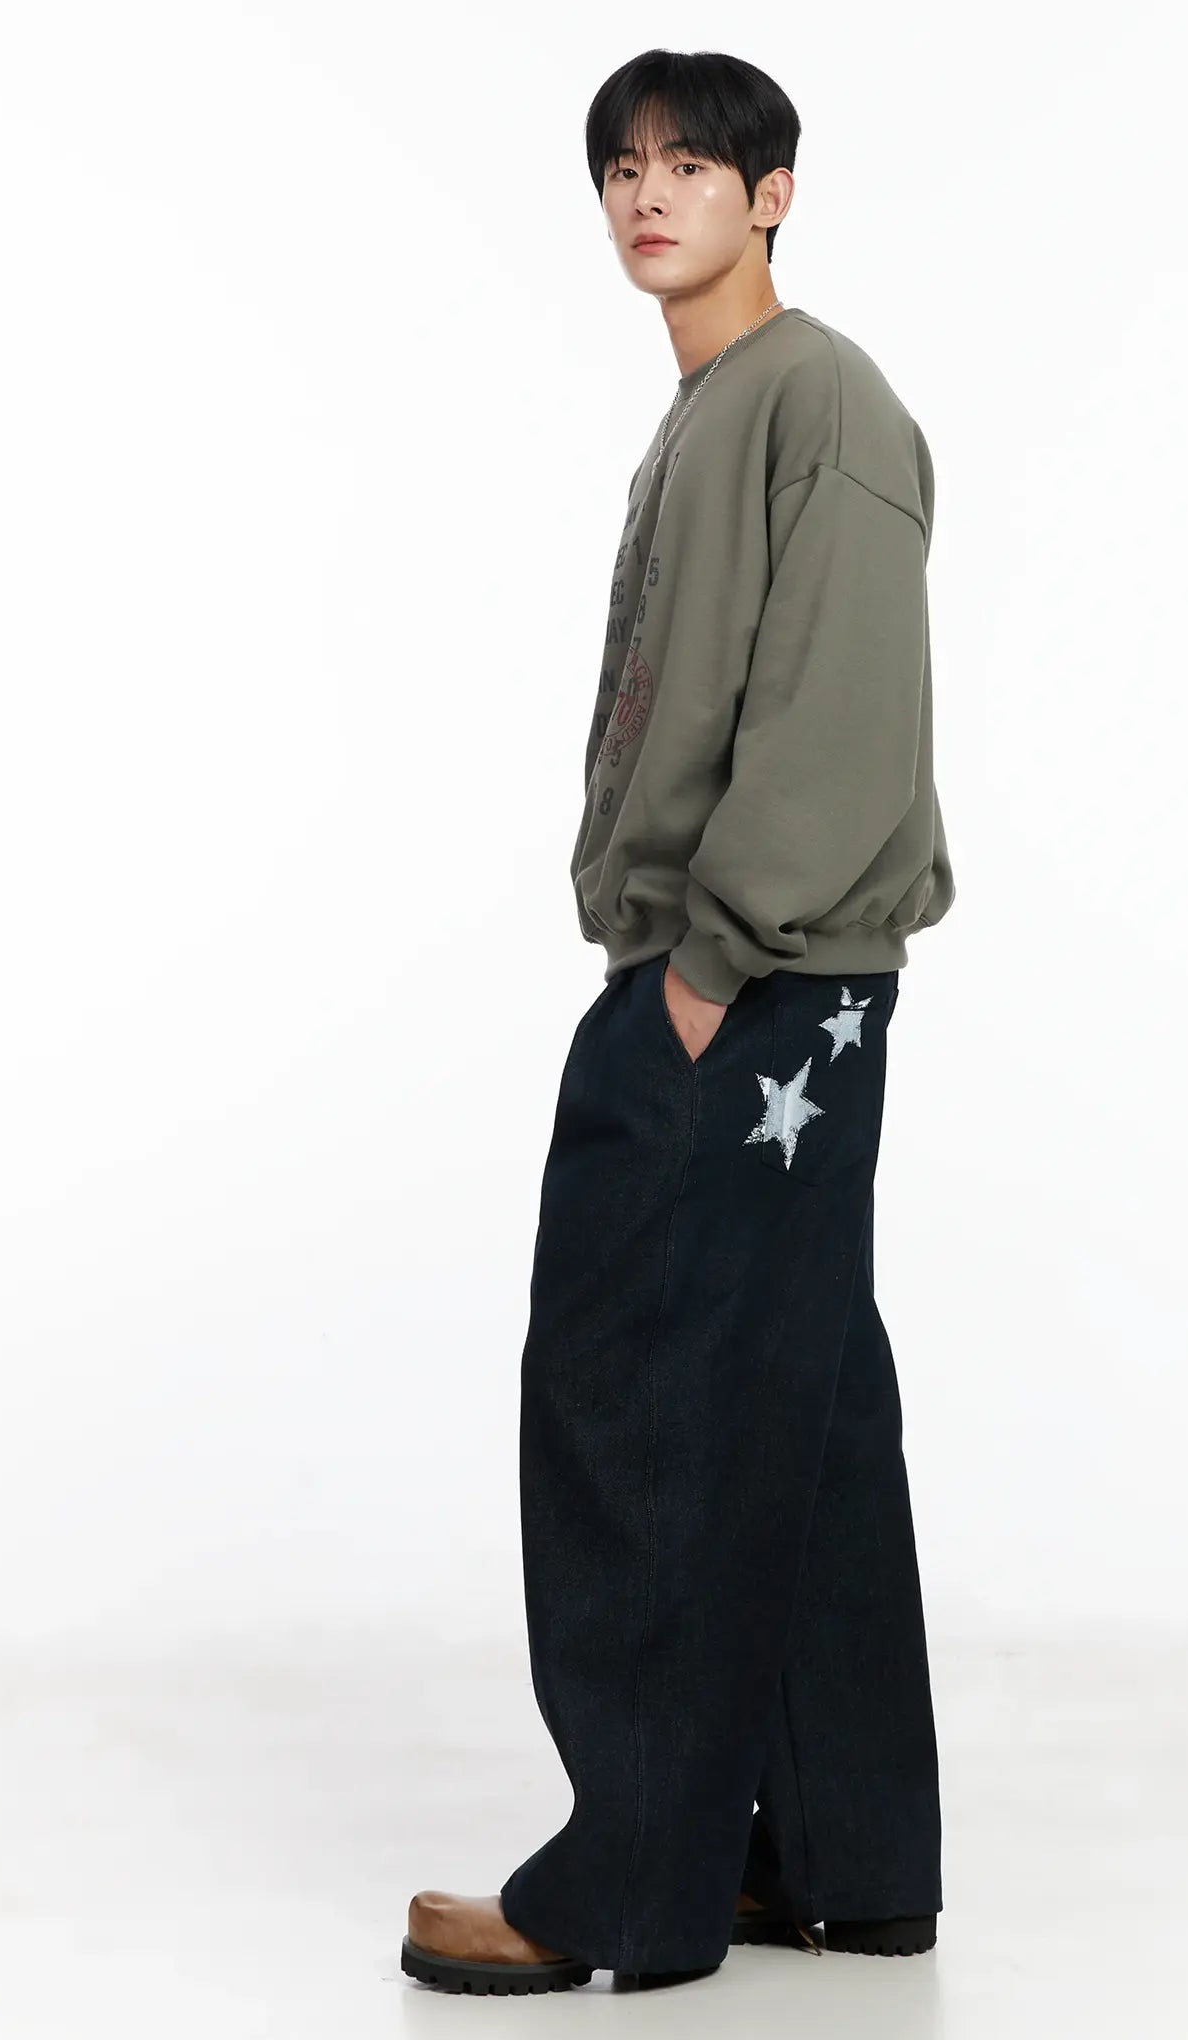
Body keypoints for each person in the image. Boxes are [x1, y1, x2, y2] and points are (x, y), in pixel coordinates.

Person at [402, 46, 955, 1998]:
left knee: (640, 1401)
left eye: (694, 166)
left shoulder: (819, 399)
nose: (650, 195)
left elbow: (842, 704)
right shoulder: (720, 406)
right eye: (624, 168)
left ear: (773, 192)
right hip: (778, 983)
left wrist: (709, 969)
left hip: (752, 982)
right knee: (794, 1408)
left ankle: (628, 1886)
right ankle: (842, 1862)